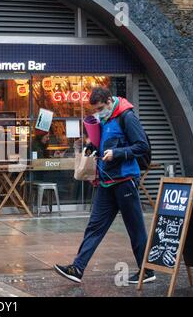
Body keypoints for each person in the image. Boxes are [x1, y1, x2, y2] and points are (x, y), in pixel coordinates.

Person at [54, 87, 155, 284]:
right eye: (96, 110)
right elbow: (103, 142)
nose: (99, 112)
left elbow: (142, 146)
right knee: (94, 226)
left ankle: (147, 271)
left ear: (110, 101)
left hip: (125, 181)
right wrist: (92, 147)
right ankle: (77, 268)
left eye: (101, 108)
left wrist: (117, 153)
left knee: (135, 228)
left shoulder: (127, 116)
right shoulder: (105, 118)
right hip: (106, 181)